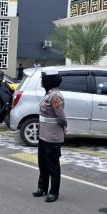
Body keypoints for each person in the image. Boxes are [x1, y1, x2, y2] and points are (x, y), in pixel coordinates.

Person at [32, 68, 66, 202]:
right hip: (44, 134)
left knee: (52, 165)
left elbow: (61, 117)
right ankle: (42, 188)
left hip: (52, 136)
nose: (41, 81)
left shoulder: (55, 96)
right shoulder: (49, 94)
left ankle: (54, 192)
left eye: (43, 79)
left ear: (49, 80)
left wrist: (64, 127)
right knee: (43, 164)